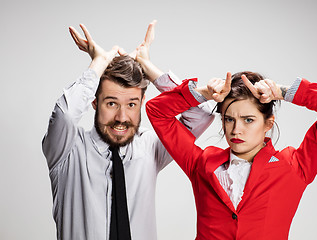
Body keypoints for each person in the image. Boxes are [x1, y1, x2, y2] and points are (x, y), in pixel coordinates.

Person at [42, 21, 214, 240]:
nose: (122, 118)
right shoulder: (66, 150)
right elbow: (65, 114)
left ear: (142, 102)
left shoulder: (151, 147)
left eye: (131, 104)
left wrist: (148, 68)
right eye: (111, 103)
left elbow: (201, 113)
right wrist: (99, 64)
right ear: (94, 102)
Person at [146, 70, 317, 239]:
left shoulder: (294, 166)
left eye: (248, 120)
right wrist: (205, 94)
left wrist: (281, 92)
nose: (236, 130)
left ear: (268, 123)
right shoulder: (202, 163)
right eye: (228, 119)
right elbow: (157, 111)